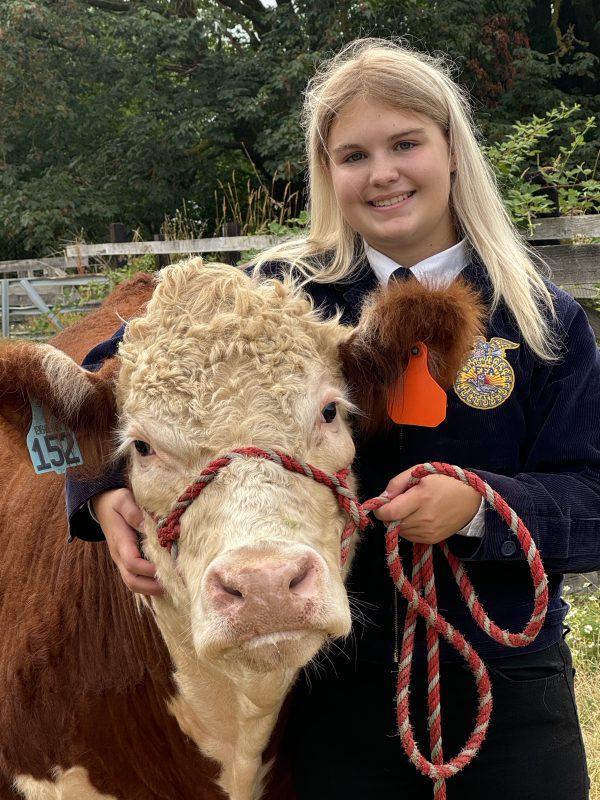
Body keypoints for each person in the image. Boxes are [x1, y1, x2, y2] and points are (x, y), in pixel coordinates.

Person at [67, 38, 600, 800]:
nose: (381, 173)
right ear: (328, 174)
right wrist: (99, 487)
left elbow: (592, 492)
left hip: (506, 681)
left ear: (452, 148)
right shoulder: (282, 295)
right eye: (352, 155)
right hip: (329, 680)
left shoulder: (544, 319)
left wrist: (484, 508)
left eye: (405, 143)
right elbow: (115, 377)